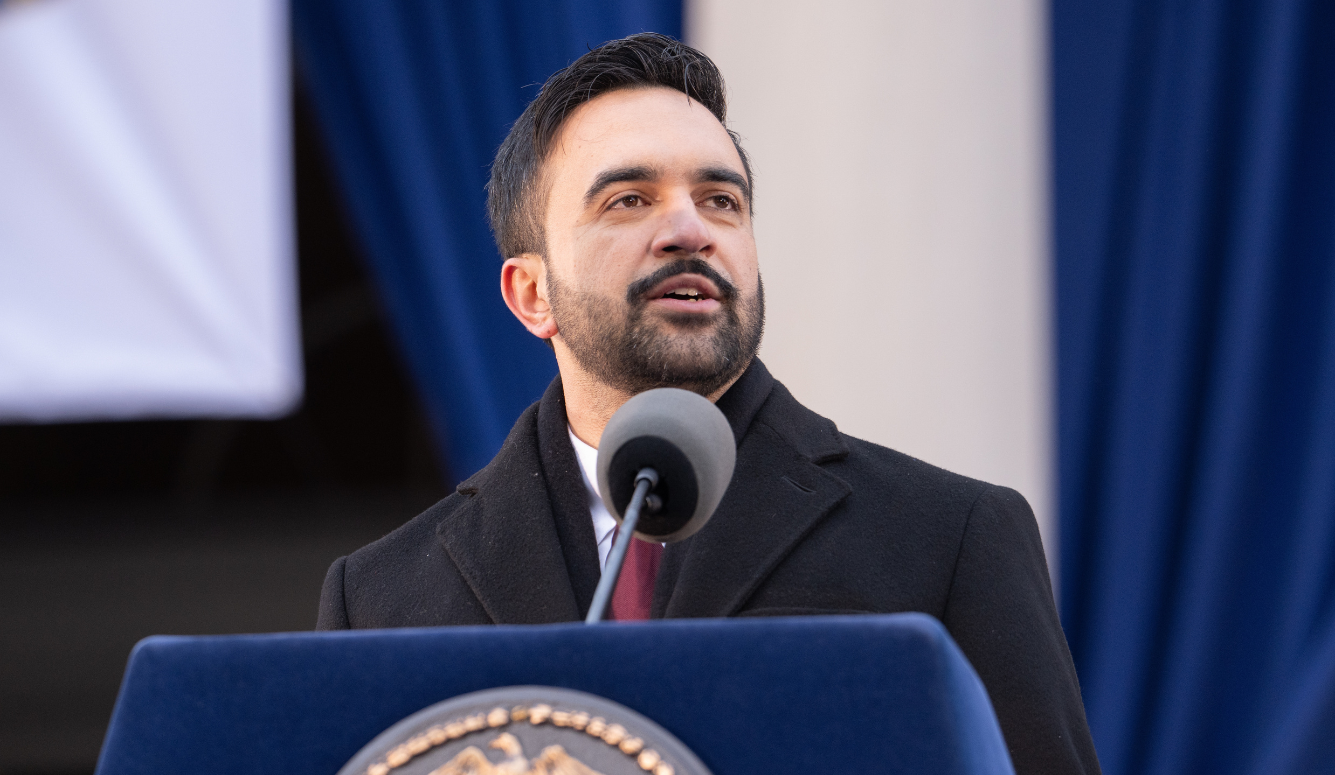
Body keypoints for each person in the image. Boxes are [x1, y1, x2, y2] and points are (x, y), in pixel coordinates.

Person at [317, 33, 1100, 775]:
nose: (688, 229)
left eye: (721, 199)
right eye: (628, 199)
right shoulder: (380, 598)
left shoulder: (949, 538)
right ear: (532, 293)